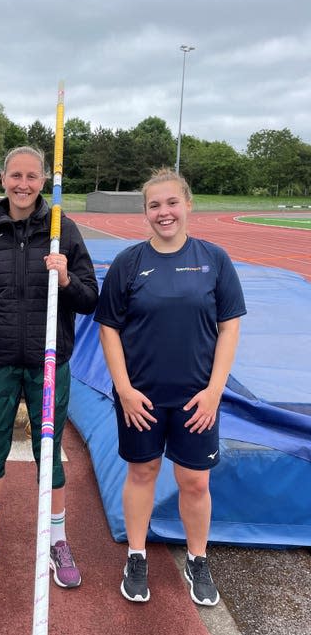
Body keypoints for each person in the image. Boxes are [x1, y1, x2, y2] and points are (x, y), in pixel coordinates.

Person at [95, 167, 246, 606]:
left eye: (171, 203)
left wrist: (215, 390)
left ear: (188, 205)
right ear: (145, 212)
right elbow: (108, 329)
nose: (164, 213)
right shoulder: (129, 263)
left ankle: (197, 559)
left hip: (197, 398)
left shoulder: (214, 259)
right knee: (141, 473)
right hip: (141, 398)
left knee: (195, 482)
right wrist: (122, 388)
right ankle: (137, 555)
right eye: (154, 205)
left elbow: (229, 328)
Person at [0, 146, 99, 588]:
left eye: (32, 176)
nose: (23, 184)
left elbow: (90, 297)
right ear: (2, 178)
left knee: (48, 454)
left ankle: (57, 541)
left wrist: (66, 279)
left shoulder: (64, 231)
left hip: (49, 364)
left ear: (44, 181)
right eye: (15, 175)